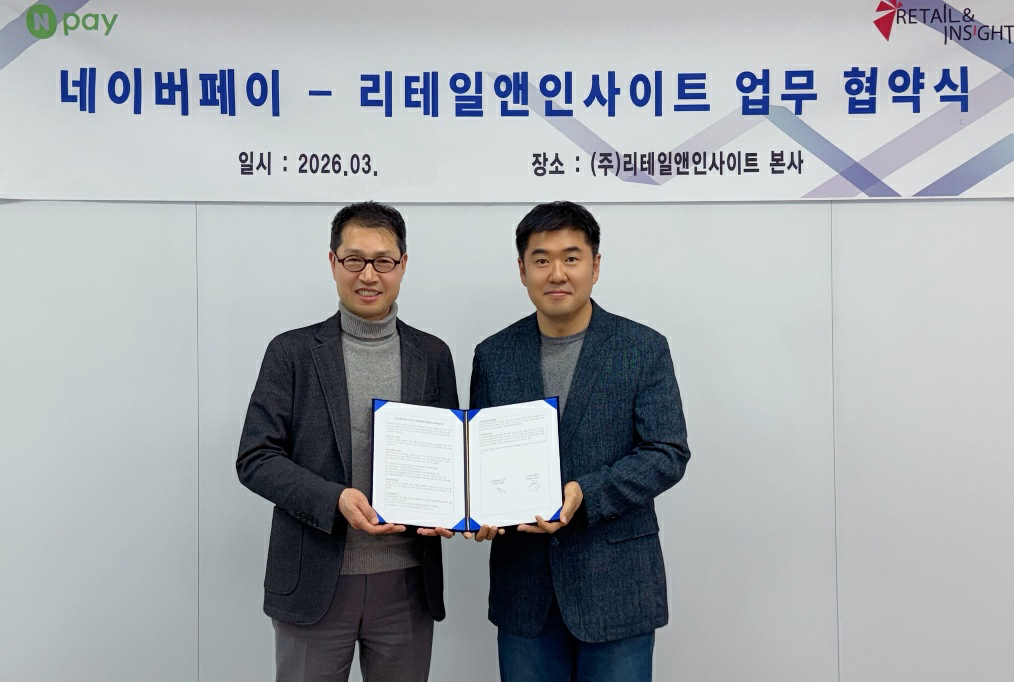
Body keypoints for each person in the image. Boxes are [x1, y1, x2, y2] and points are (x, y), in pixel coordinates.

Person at [468, 201, 691, 682]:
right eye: (541, 259)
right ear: (522, 270)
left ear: (595, 265)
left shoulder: (642, 348)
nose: (557, 273)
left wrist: (585, 494)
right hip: (525, 591)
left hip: (617, 586)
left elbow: (667, 452)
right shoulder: (493, 355)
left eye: (571, 258)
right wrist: (477, 509)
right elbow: (481, 457)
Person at [237, 201, 457, 682]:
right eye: (354, 260)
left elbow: (450, 457)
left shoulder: (433, 355)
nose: (368, 275)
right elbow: (256, 458)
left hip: (407, 582)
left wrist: (453, 505)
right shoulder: (292, 352)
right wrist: (333, 499)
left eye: (383, 261)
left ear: (403, 264)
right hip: (315, 578)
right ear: (333, 262)